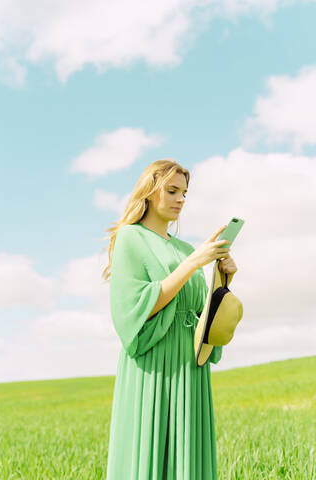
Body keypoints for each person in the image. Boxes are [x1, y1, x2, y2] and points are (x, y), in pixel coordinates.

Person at [102, 159, 237, 479]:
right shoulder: (130, 237)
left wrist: (223, 276)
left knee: (186, 454)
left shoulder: (184, 247)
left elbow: (199, 311)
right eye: (172, 190)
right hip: (155, 361)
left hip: (189, 363)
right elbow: (138, 307)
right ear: (149, 192)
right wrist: (193, 263)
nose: (180, 199)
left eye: (184, 193)